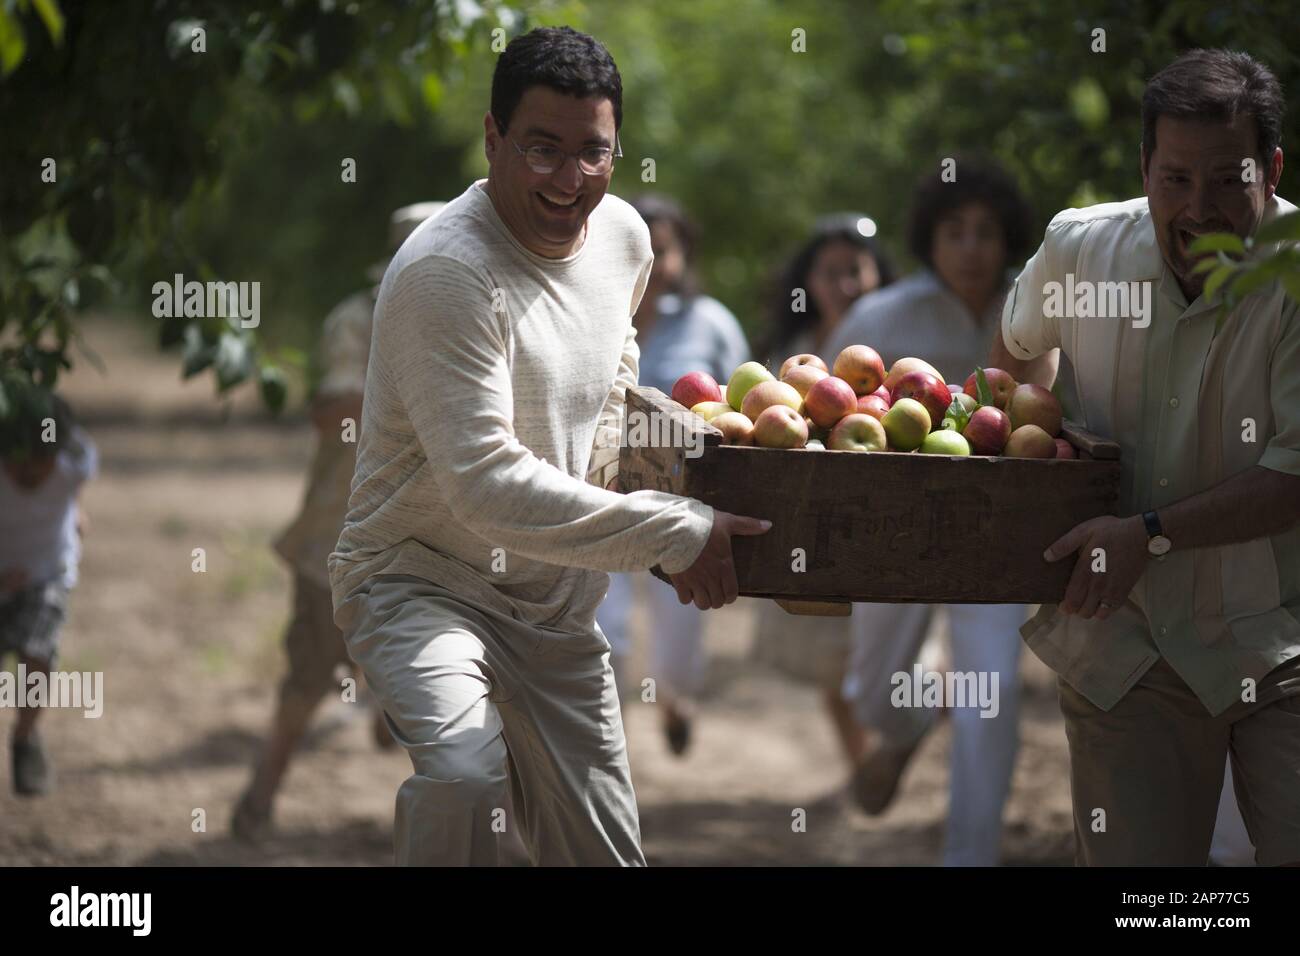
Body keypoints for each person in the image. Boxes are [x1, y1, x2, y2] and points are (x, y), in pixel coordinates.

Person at [328, 26, 768, 866]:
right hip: (420, 583)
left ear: (617, 151)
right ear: (493, 138)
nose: (570, 181)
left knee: (604, 855)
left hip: (556, 605)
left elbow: (608, 402)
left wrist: (730, 476)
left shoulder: (625, 240)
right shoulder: (445, 274)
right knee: (462, 775)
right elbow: (486, 487)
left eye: (592, 153)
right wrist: (673, 532)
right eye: (542, 149)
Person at [993, 48, 1300, 866]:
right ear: (1144, 168)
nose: (1200, 208)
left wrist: (1148, 532)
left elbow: (1294, 474)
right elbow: (1018, 355)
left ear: (1271, 168)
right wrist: (1036, 444)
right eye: (1175, 180)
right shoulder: (1080, 250)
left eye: (1229, 180)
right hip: (1122, 649)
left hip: (1281, 640)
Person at [823, 158, 1035, 865]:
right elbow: (823, 417)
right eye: (955, 231)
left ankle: (970, 855)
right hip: (897, 537)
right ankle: (909, 729)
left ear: (1007, 239)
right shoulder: (881, 317)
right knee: (877, 697)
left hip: (997, 539)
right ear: (928, 238)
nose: (972, 246)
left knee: (994, 694)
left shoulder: (1036, 309)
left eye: (986, 231)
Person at [230, 202, 445, 843]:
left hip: (435, 539)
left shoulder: (480, 316)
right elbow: (334, 409)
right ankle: (259, 799)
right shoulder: (357, 319)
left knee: (458, 685)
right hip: (341, 532)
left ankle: (497, 836)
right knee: (309, 675)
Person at [594, 194, 749, 755]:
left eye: (665, 250)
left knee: (680, 616)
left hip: (685, 497)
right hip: (601, 487)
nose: (654, 263)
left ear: (686, 255)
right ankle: (606, 739)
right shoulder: (589, 316)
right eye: (641, 250)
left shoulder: (712, 323)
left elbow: (743, 405)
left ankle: (677, 697)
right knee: (604, 625)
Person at [750, 214, 894, 773]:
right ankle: (863, 766)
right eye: (831, 272)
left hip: (885, 520)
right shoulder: (791, 352)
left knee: (898, 656)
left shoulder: (895, 352)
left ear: (878, 274)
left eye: (856, 270)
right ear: (808, 281)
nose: (845, 285)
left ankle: (894, 743)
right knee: (827, 658)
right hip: (808, 525)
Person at [0, 386, 97, 796]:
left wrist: (74, 507)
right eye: (20, 463)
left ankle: (25, 738)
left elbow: (75, 484)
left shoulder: (74, 459)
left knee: (38, 651)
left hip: (48, 572)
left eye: (42, 463)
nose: (31, 474)